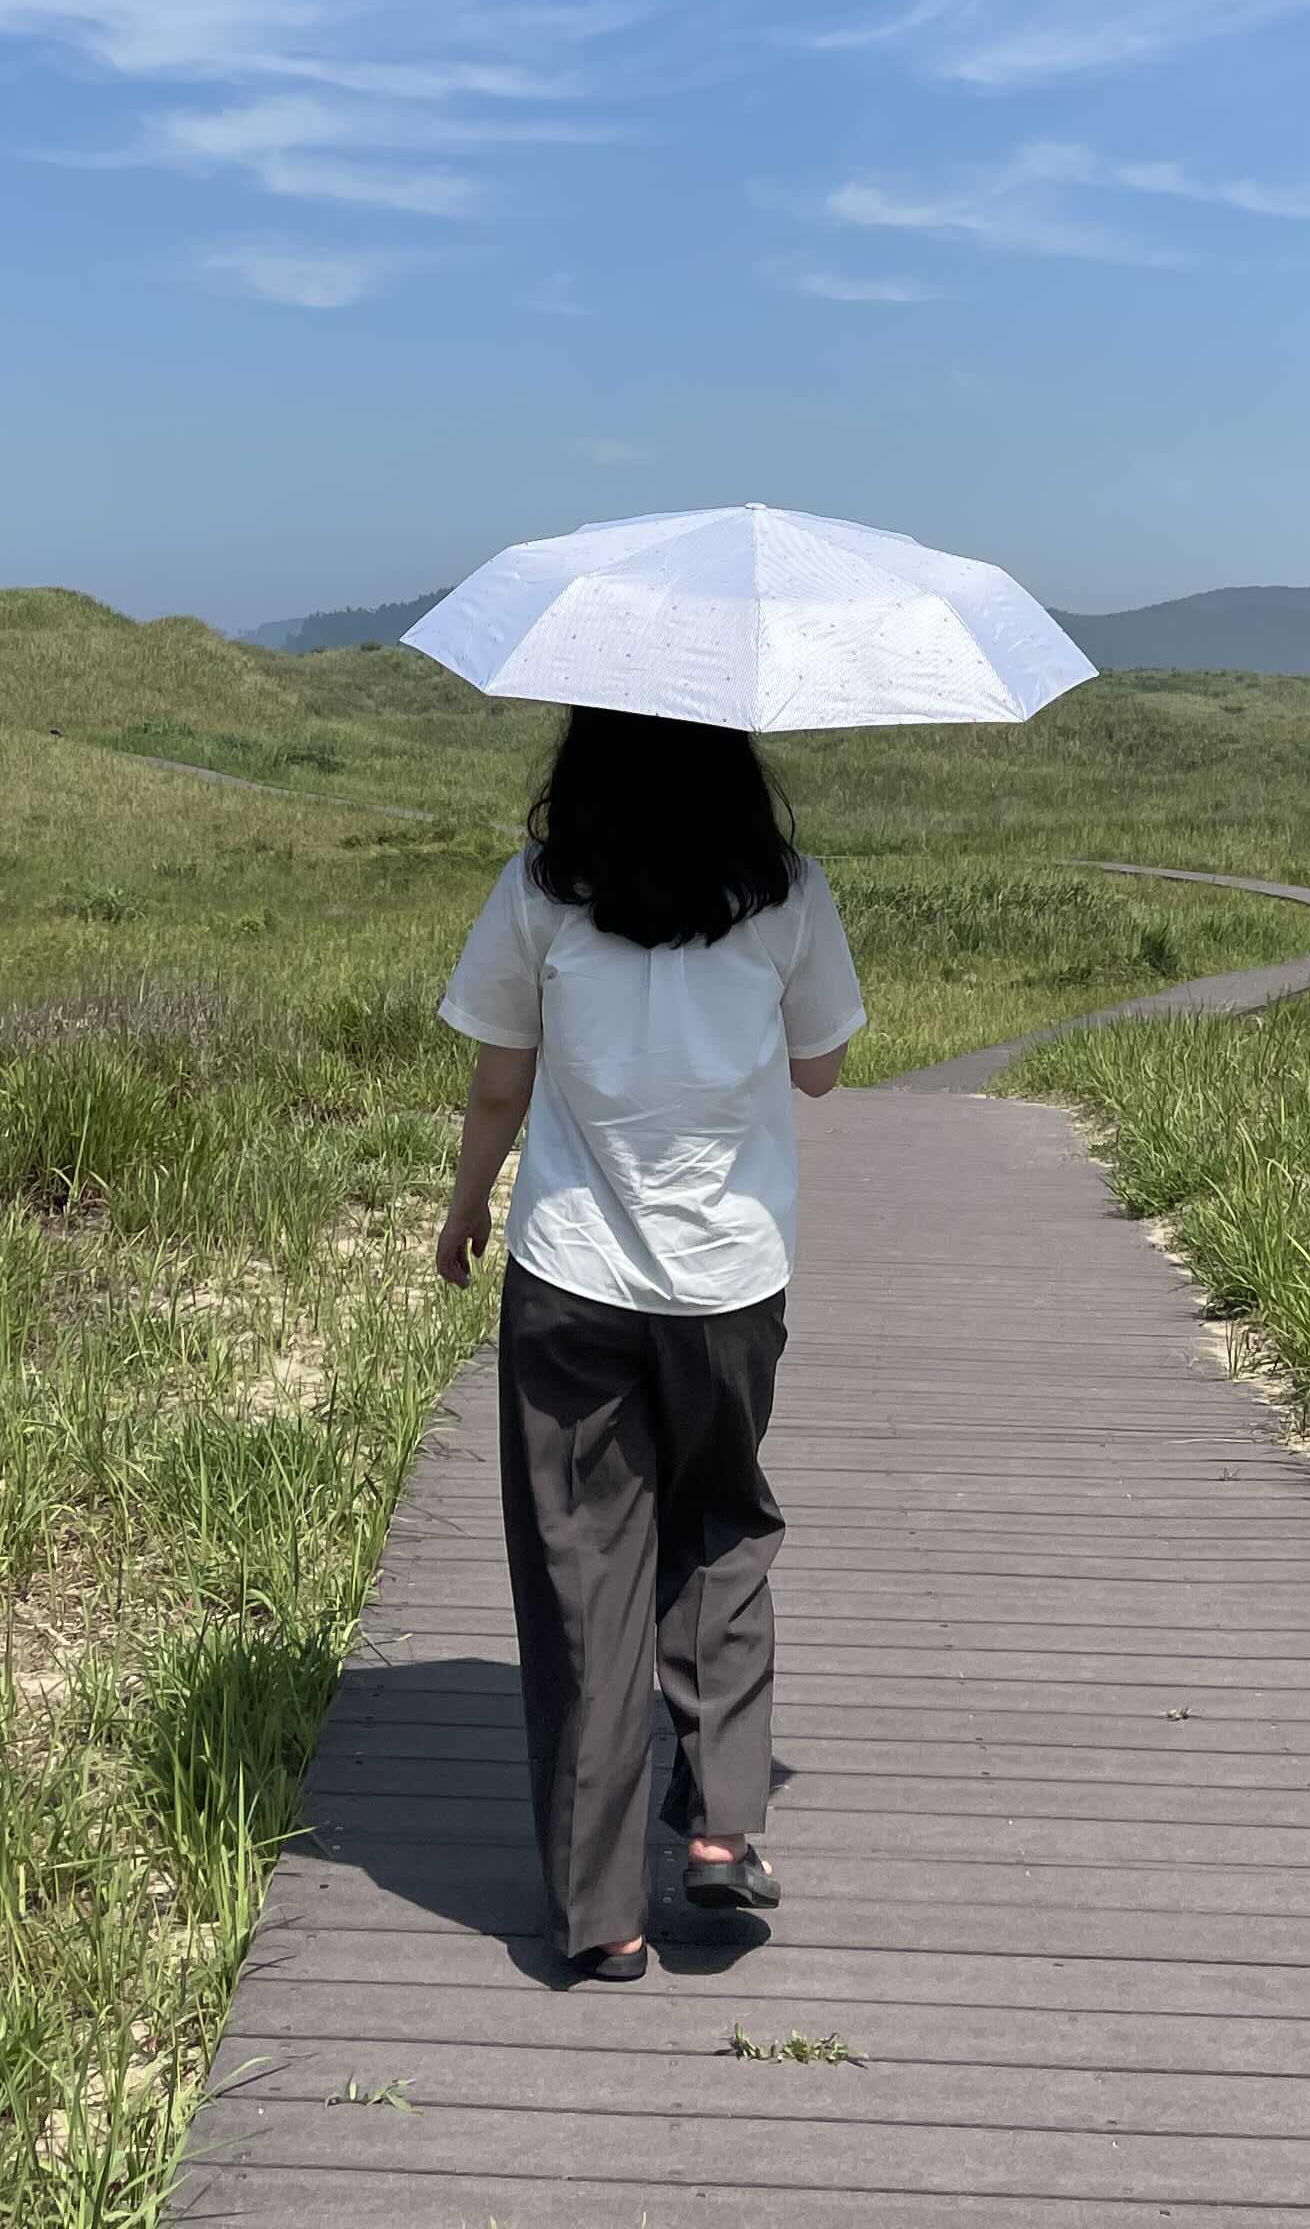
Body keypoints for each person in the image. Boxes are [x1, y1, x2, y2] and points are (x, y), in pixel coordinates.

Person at [433, 705, 867, 1984]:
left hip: (572, 1276)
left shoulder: (542, 892)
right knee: (720, 1526)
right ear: (734, 762)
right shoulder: (784, 892)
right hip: (731, 1282)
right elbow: (823, 1069)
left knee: (584, 1570)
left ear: (588, 758)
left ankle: (602, 1912)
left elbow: (501, 1080)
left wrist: (466, 1204)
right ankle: (723, 1823)